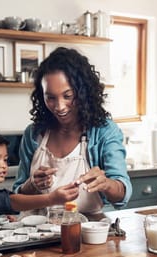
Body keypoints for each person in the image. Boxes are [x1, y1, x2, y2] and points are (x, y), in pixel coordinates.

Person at [13, 47, 132, 216]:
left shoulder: (104, 131)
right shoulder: (33, 134)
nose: (59, 107)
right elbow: (17, 196)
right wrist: (32, 184)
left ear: (83, 92)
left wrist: (105, 183)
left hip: (85, 232)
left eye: (67, 96)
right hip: (35, 234)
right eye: (50, 98)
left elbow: (122, 195)